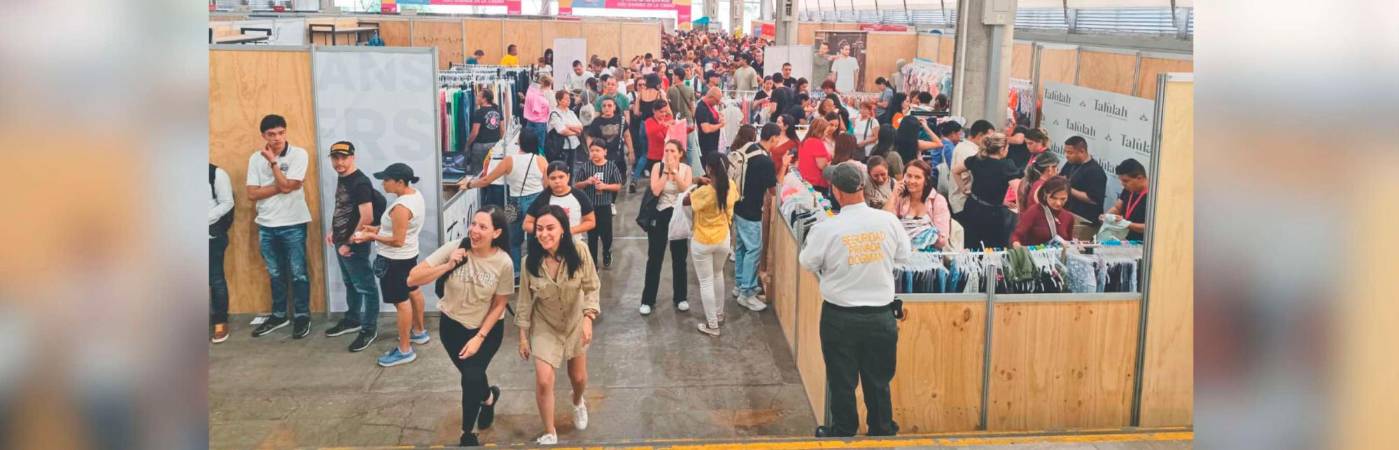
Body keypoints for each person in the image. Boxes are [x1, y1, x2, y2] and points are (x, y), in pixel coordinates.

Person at [799, 162, 909, 439]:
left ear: (836, 190)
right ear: (863, 185)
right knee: (879, 381)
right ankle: (882, 432)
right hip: (881, 317)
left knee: (842, 381)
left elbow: (807, 260)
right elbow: (903, 256)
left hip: (840, 318)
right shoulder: (887, 221)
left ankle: (844, 432)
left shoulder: (827, 228)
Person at [408, 206, 514, 448]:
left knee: (470, 377)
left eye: (483, 227)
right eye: (473, 224)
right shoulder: (456, 247)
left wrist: (479, 337)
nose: (474, 230)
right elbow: (412, 278)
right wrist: (447, 265)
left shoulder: (503, 262)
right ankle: (488, 398)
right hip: (451, 327)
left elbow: (500, 304)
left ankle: (468, 433)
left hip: (485, 330)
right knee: (473, 376)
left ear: (496, 233)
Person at [516, 206, 601, 446]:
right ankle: (549, 431)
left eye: (550, 228)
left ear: (563, 229)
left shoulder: (580, 252)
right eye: (539, 229)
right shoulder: (528, 262)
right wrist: (523, 336)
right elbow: (523, 302)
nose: (544, 234)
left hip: (575, 322)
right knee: (544, 380)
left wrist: (588, 319)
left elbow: (592, 287)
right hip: (545, 325)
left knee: (579, 377)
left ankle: (577, 401)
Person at [352, 163, 429, 367]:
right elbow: (399, 230)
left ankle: (405, 349)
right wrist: (377, 228)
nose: (383, 183)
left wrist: (371, 235)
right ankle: (419, 332)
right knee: (413, 290)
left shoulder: (401, 208)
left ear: (400, 182)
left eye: (386, 180)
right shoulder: (415, 196)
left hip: (395, 260)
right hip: (409, 255)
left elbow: (397, 240)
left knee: (401, 303)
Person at [248, 114, 315, 339]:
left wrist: (275, 164)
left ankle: (302, 315)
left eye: (281, 133)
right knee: (275, 273)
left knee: (298, 274)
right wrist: (284, 184)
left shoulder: (299, 154)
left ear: (285, 132)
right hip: (266, 225)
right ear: (263, 136)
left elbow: (286, 187)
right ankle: (279, 315)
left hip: (293, 223)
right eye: (271, 134)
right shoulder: (255, 159)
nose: (277, 138)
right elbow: (251, 193)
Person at [325, 142, 386, 352]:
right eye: (335, 158)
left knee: (366, 287)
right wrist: (335, 231)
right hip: (342, 239)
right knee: (351, 283)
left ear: (353, 157)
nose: (339, 163)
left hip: (354, 243)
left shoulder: (360, 183)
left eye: (344, 158)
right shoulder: (344, 178)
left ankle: (368, 329)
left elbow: (367, 216)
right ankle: (353, 319)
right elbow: (344, 208)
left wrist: (349, 241)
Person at [465, 133, 547, 277]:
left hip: (513, 203)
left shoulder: (510, 160)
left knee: (513, 240)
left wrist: (469, 184)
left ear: (519, 144)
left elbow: (487, 180)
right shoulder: (541, 161)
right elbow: (547, 185)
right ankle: (535, 272)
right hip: (536, 203)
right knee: (536, 237)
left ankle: (515, 273)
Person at [687, 153, 739, 336]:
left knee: (706, 282)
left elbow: (687, 201)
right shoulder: (731, 186)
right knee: (718, 275)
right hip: (723, 238)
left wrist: (695, 183)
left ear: (709, 169)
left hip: (702, 240)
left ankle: (712, 325)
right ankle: (719, 313)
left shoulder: (705, 192)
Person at [639, 140, 693, 316]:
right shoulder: (657, 167)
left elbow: (686, 190)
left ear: (680, 153)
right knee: (654, 258)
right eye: (666, 150)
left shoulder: (686, 169)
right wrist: (665, 172)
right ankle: (648, 300)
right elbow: (655, 190)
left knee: (679, 258)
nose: (668, 153)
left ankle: (681, 298)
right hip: (659, 214)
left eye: (672, 150)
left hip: (678, 215)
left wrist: (675, 172)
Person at [732, 124, 780, 311]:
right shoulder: (765, 161)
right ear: (774, 138)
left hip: (738, 205)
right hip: (752, 210)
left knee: (742, 247)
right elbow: (773, 189)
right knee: (754, 249)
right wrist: (782, 166)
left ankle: (740, 284)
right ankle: (747, 292)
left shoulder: (748, 148)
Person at [953, 132, 1020, 249]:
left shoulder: (976, 159)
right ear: (1002, 149)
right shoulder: (1006, 165)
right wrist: (1020, 211)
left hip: (972, 206)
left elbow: (955, 170)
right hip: (992, 213)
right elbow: (1018, 189)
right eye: (1008, 148)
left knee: (970, 245)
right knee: (993, 249)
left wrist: (963, 188)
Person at [573, 142, 622, 268]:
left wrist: (605, 186)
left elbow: (618, 186)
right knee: (592, 235)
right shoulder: (586, 167)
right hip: (590, 207)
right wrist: (586, 182)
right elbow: (576, 185)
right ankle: (593, 263)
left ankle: (606, 252)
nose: (594, 153)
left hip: (605, 206)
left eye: (597, 150)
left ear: (605, 151)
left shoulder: (611, 167)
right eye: (592, 150)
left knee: (606, 235)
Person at [885, 159, 952, 251]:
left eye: (917, 177)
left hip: (929, 256)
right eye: (909, 176)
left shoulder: (937, 200)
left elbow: (942, 240)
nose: (911, 181)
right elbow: (885, 224)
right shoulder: (899, 198)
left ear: (926, 180)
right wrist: (893, 195)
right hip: (902, 254)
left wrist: (921, 239)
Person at [524, 162, 597, 237]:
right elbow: (527, 224)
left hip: (573, 243)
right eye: (553, 178)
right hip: (549, 245)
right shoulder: (543, 198)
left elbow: (591, 221)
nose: (557, 181)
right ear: (548, 179)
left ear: (568, 177)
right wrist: (546, 232)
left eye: (561, 177)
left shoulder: (579, 196)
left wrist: (570, 231)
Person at [1060, 136, 1108, 241]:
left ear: (1082, 151)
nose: (1067, 156)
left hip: (1085, 222)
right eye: (1065, 152)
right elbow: (1062, 178)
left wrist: (1068, 189)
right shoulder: (1070, 164)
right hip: (1069, 214)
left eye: (1070, 153)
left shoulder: (1095, 171)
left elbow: (1094, 200)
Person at [208, 162, 234, 344]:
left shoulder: (216, 173)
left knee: (215, 279)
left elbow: (227, 202)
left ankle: (220, 321)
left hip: (210, 234)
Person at [584, 97, 633, 192]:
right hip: (602, 156)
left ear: (614, 107)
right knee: (605, 180)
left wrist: (631, 151)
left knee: (619, 180)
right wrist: (591, 151)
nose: (607, 108)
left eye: (609, 105)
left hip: (618, 155)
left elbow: (627, 135)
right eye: (604, 106)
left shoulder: (621, 119)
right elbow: (590, 137)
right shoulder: (597, 121)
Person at [1011, 176, 1074, 247]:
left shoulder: (1069, 217)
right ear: (1045, 193)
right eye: (1053, 198)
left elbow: (1069, 242)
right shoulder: (1034, 212)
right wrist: (1018, 247)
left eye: (1063, 199)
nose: (1058, 203)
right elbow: (1016, 236)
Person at [948, 120, 995, 214]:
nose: (991, 142)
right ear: (980, 135)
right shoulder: (969, 152)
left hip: (962, 201)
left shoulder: (964, 146)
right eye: (989, 138)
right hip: (963, 204)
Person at [1106, 158, 1150, 241]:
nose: (1123, 184)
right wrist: (1107, 216)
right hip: (1124, 239)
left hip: (1142, 243)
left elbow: (1153, 228)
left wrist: (1127, 224)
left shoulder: (1154, 197)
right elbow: (1117, 208)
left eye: (1125, 181)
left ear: (1139, 178)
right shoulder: (1128, 189)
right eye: (1121, 180)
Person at [894, 92, 942, 168]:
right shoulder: (917, 144)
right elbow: (939, 144)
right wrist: (926, 127)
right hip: (914, 169)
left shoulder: (894, 141)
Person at [466, 89, 503, 180]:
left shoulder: (479, 112)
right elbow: (502, 129)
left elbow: (475, 132)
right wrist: (500, 142)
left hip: (480, 147)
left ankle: (480, 193)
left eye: (478, 96)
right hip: (494, 145)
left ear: (484, 99)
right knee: (492, 172)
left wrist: (467, 144)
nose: (476, 98)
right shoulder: (497, 111)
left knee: (479, 174)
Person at [797, 117, 833, 198]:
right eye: (826, 131)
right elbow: (822, 165)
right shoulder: (817, 143)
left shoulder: (805, 141)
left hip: (806, 180)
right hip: (817, 183)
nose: (826, 134)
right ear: (820, 131)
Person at [547, 91, 585, 165]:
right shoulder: (555, 113)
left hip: (573, 144)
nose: (569, 101)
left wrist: (568, 126)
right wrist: (576, 132)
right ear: (558, 100)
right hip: (561, 147)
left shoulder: (571, 112)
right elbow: (562, 130)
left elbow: (580, 126)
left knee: (571, 170)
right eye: (566, 99)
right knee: (561, 168)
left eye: (569, 99)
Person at [523, 75, 554, 155]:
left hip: (530, 120)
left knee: (528, 143)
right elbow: (537, 109)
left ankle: (530, 160)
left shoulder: (531, 90)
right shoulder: (539, 95)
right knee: (540, 145)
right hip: (540, 122)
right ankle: (540, 162)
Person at [695, 87, 725, 158]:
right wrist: (720, 125)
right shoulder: (702, 108)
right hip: (706, 147)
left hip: (712, 146)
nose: (718, 103)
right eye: (717, 100)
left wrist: (719, 118)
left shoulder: (710, 106)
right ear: (711, 97)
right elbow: (706, 129)